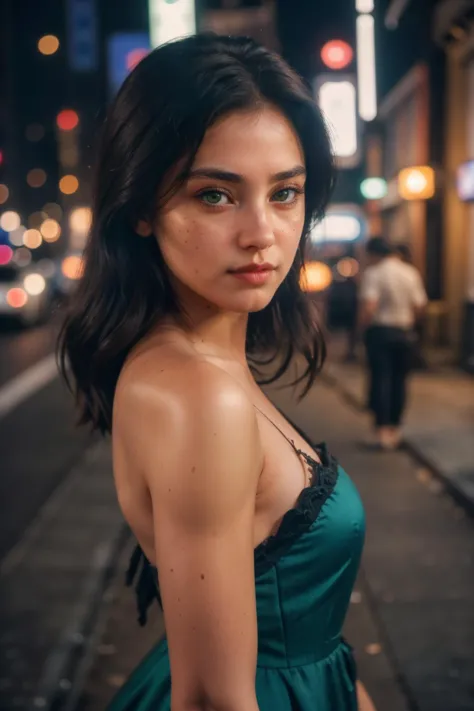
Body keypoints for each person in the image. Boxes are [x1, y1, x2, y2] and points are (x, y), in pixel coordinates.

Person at [58, 34, 370, 711]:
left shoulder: (206, 361)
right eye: (216, 196)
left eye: (285, 192)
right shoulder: (196, 393)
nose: (262, 231)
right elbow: (210, 698)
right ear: (141, 206)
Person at [360, 237, 428, 450]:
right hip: (404, 332)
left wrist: (362, 330)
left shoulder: (374, 273)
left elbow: (369, 307)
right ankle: (395, 429)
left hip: (381, 332)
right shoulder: (410, 272)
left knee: (380, 379)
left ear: (374, 254)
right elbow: (419, 306)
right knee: (400, 381)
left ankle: (382, 431)